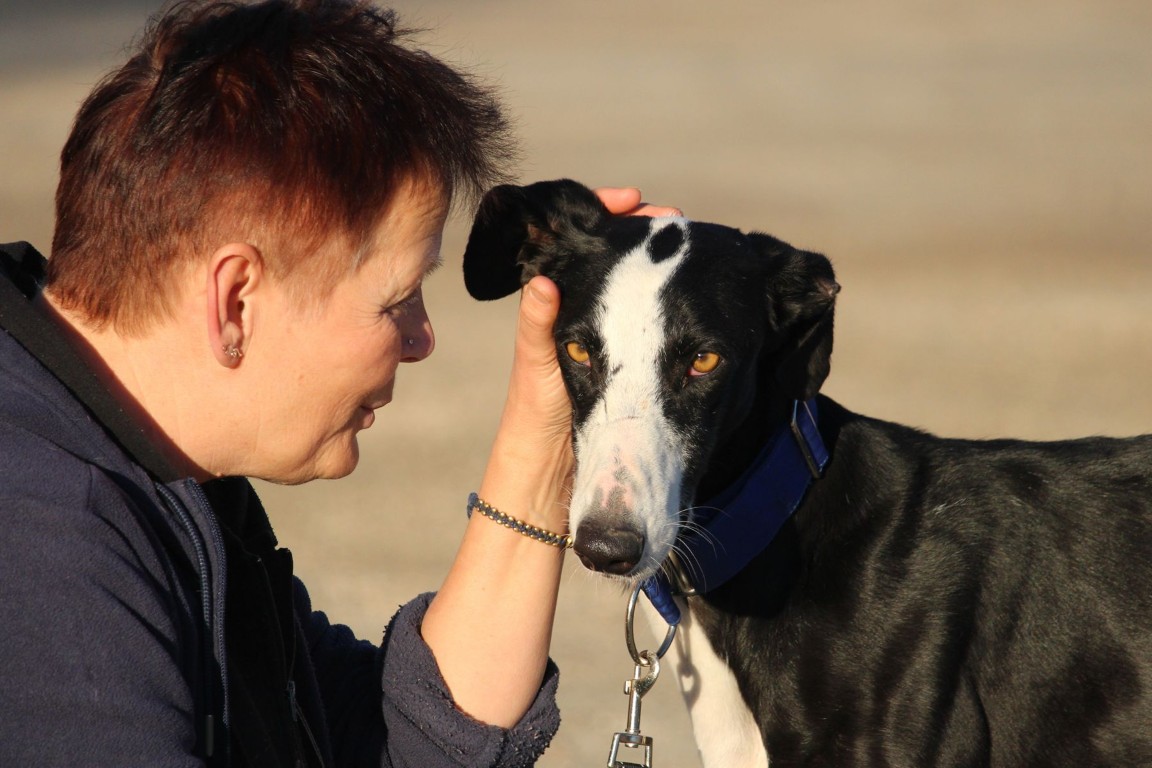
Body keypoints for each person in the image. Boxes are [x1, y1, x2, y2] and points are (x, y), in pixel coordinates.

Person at [0, 1, 676, 765]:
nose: (421, 339)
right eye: (397, 299)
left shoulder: (147, 464)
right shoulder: (48, 549)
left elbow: (383, 743)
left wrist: (548, 426)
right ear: (235, 301)